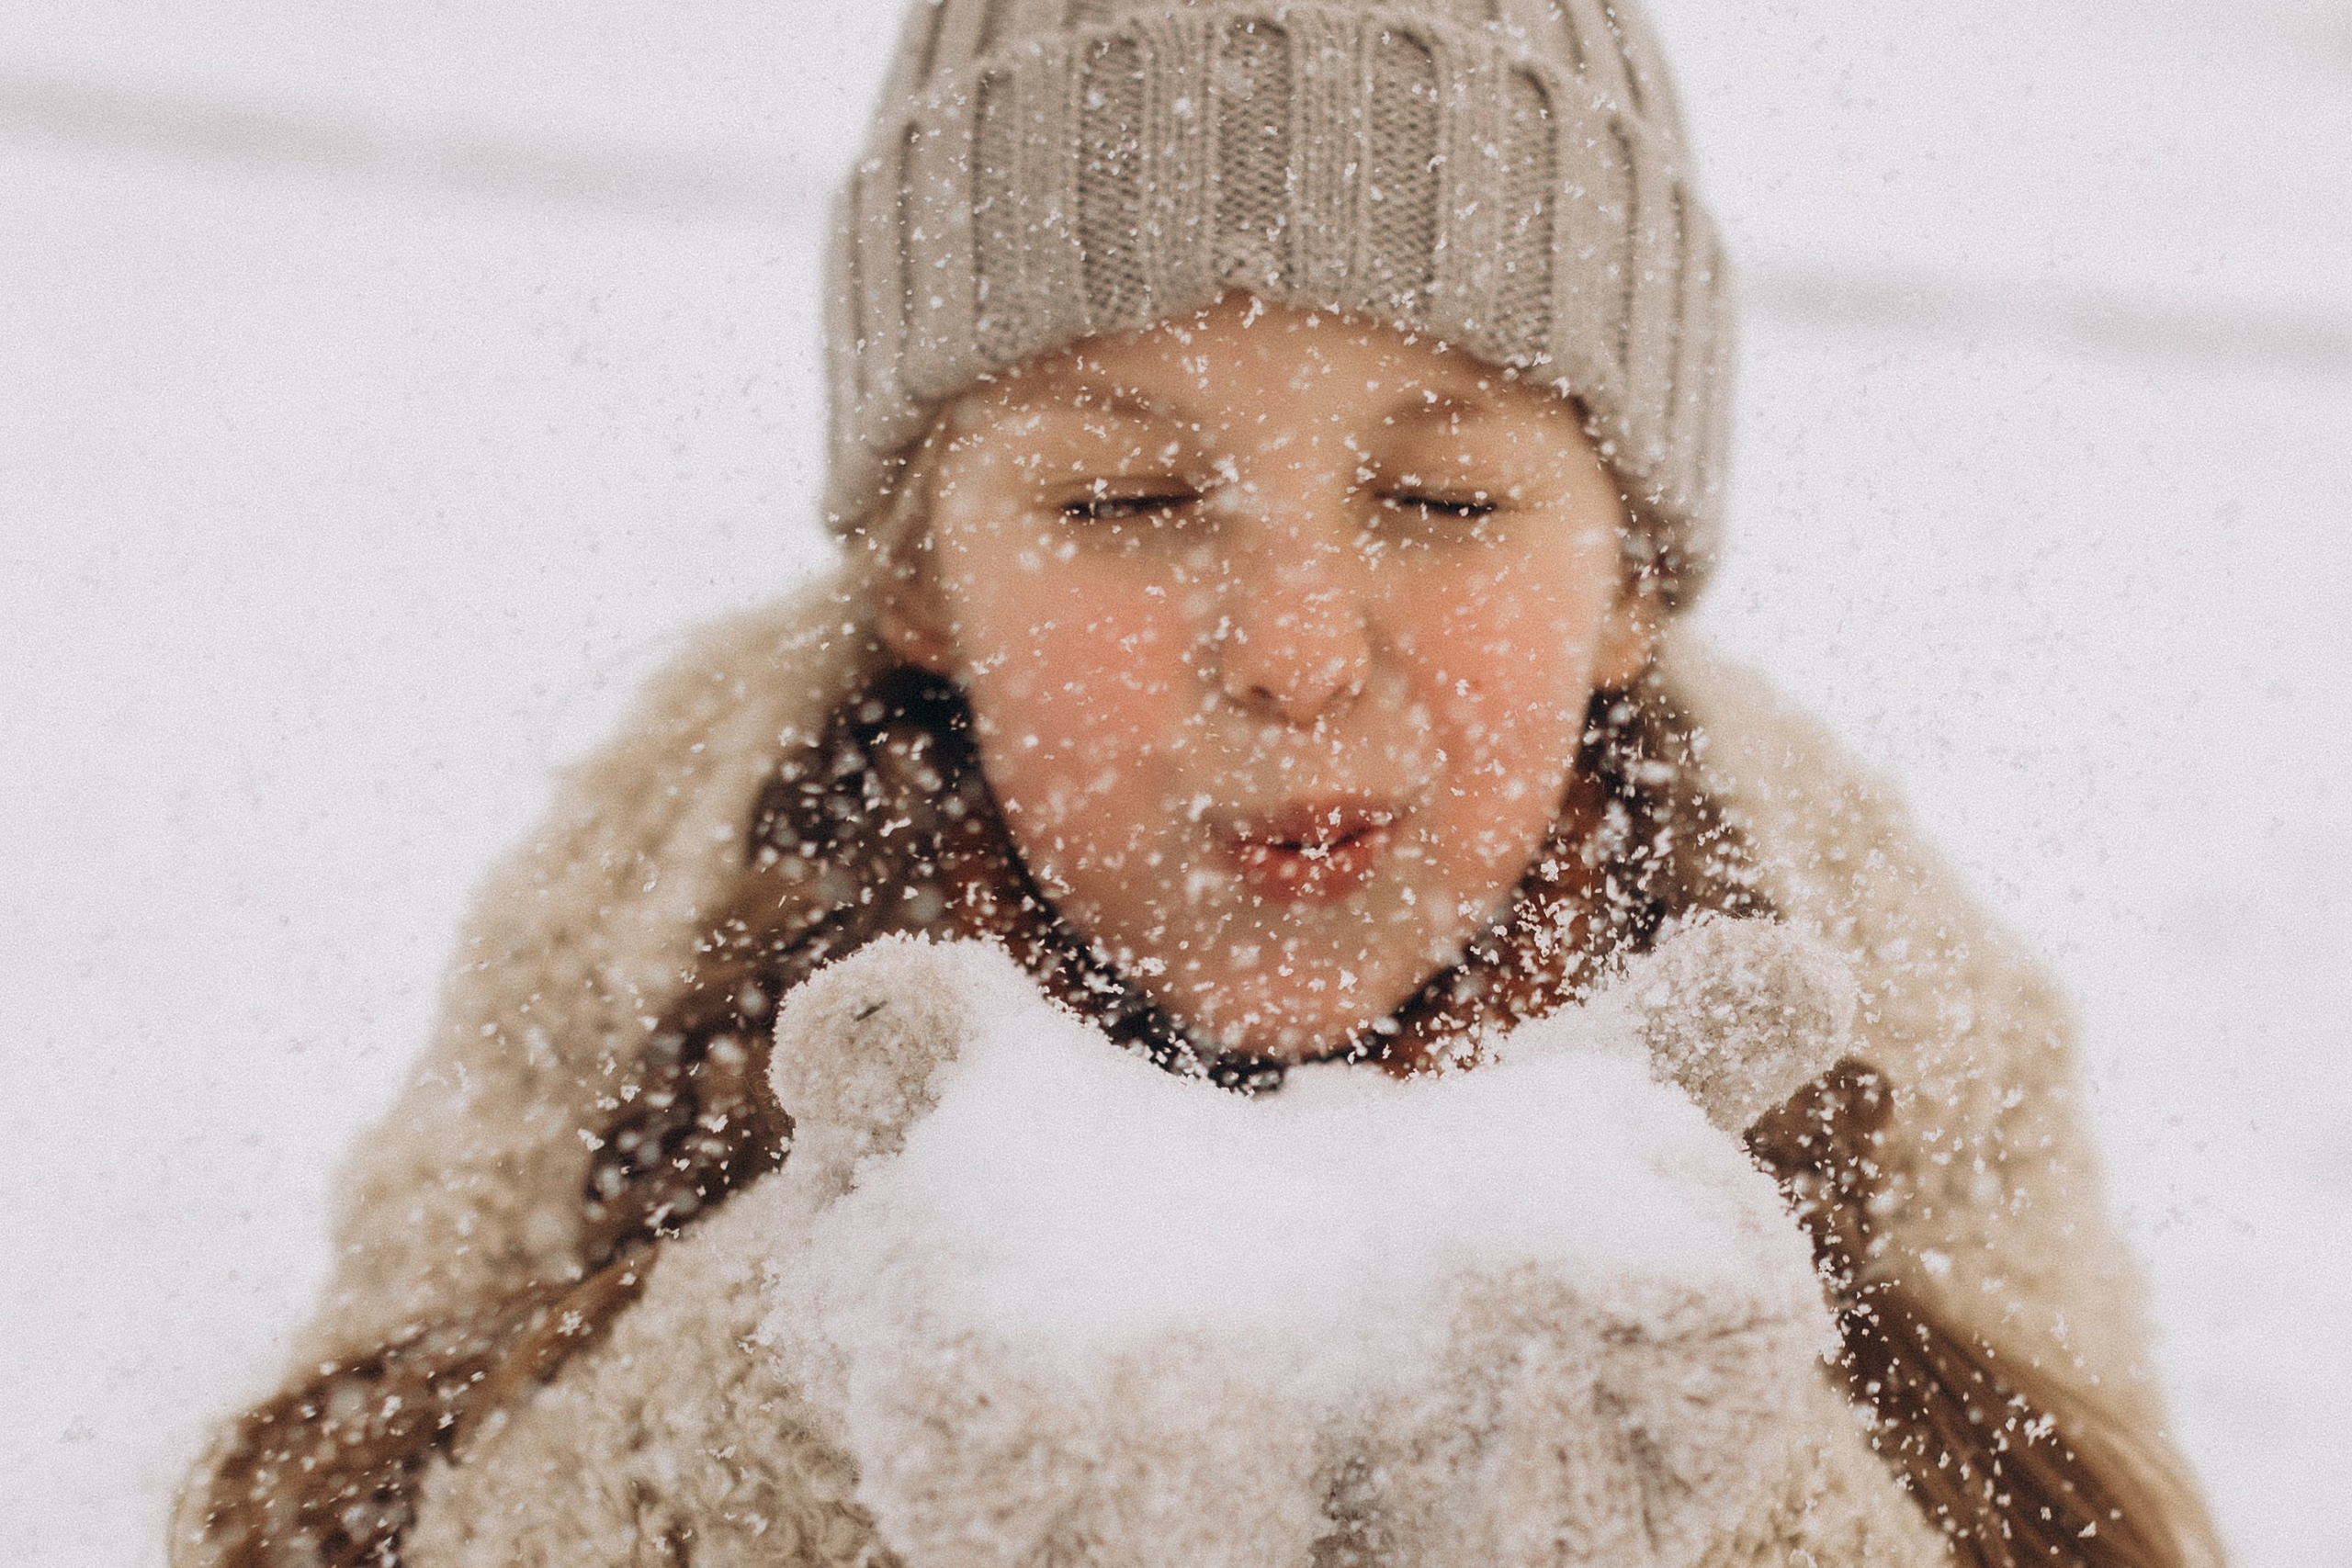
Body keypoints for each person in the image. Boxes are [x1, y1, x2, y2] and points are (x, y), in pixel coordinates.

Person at [172, 2, 2224, 1564]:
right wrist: (784, 1374)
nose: (1296, 649)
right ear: (917, 581)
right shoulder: (666, 875)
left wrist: (1719, 1464)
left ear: (1625, 585)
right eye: (1126, 493)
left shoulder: (1850, 957)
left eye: (1438, 493)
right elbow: (315, 1513)